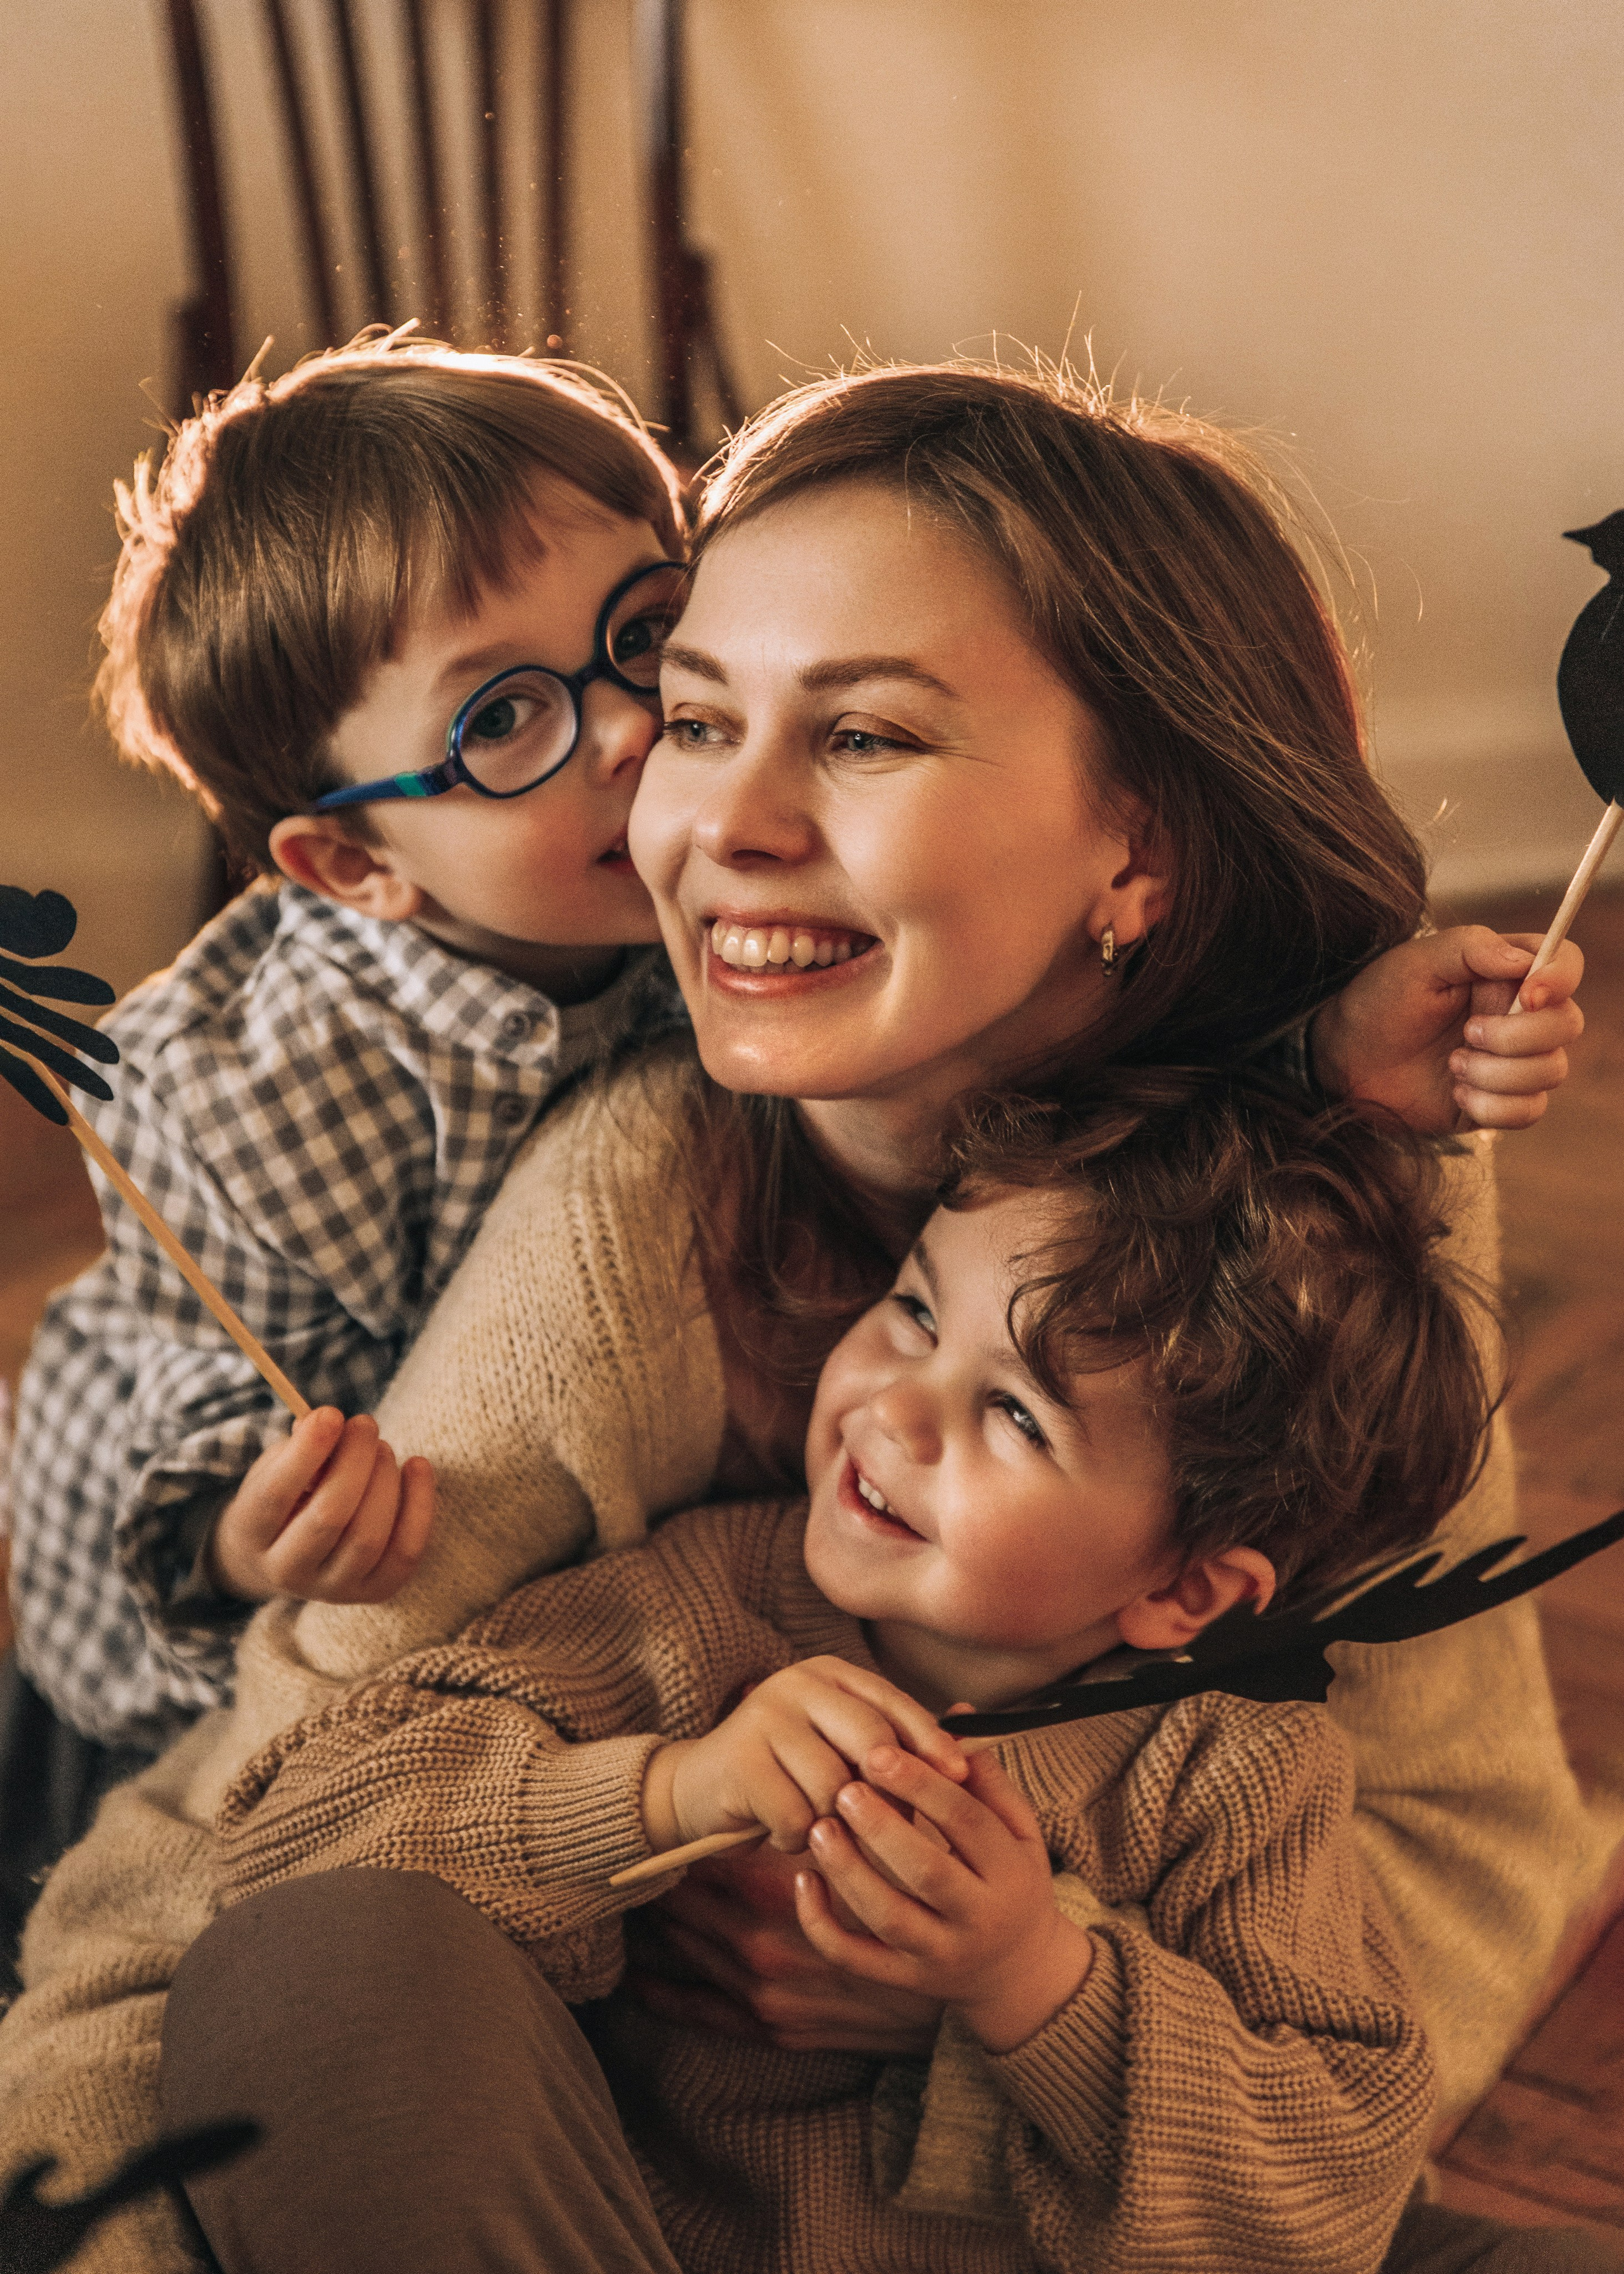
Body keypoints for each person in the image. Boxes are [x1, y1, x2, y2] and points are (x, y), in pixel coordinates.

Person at [0, 362, 1601, 2274]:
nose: (709, 821)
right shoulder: (637, 1220)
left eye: (865, 739)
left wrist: (979, 2003)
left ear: (1141, 847)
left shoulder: (1338, 1191)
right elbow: (245, 1862)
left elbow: (1458, 1867)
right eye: (696, 716)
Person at [163, 1079, 1519, 2271]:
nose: (891, 1403)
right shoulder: (707, 1601)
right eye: (916, 1309)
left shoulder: (1234, 1772)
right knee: (300, 1979)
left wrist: (1036, 1981)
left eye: (1011, 1412)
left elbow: (1334, 2199)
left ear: (1182, 1589)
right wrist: (661, 1792)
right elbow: (297, 1836)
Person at [4, 332, 686, 1787]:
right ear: (354, 860)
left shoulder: (720, 866)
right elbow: (198, 1426)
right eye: (501, 717)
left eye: (644, 631)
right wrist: (246, 1534)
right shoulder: (233, 1096)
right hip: (155, 1631)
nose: (629, 727)